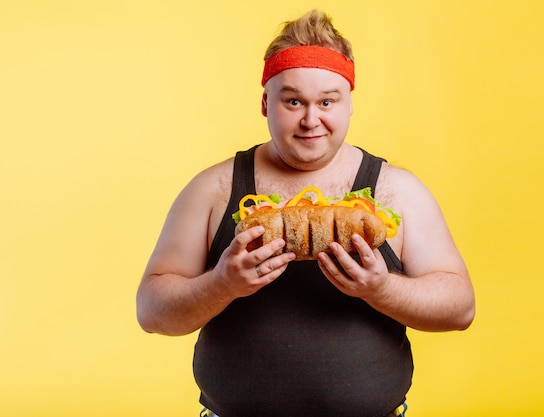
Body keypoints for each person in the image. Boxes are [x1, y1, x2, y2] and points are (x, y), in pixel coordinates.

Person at [136, 9, 475, 417]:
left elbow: (460, 309)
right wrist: (222, 284)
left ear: (349, 103)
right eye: (293, 101)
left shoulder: (397, 191)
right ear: (266, 103)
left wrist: (380, 288)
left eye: (327, 101)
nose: (311, 120)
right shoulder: (214, 189)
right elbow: (151, 312)